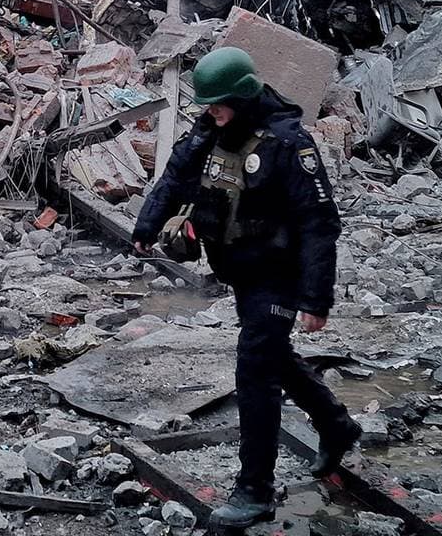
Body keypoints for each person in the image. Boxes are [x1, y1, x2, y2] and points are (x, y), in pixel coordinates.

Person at [132, 48, 359, 528]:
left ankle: (255, 490)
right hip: (239, 268)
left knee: (255, 371)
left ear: (243, 96)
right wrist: (147, 225)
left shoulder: (286, 144)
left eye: (218, 105)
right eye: (208, 106)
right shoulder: (212, 130)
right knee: (271, 354)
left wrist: (317, 298)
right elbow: (176, 176)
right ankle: (336, 424)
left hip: (278, 275)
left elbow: (319, 223)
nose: (210, 113)